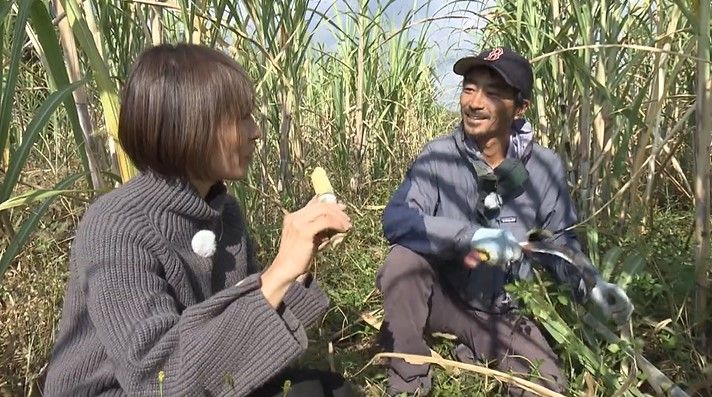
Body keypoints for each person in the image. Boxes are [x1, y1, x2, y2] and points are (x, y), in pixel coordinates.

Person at [43, 44, 357, 397]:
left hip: (200, 382)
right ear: (190, 124)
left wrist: (296, 270)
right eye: (242, 117)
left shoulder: (225, 214)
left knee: (329, 391)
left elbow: (239, 347)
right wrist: (277, 273)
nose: (257, 132)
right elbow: (159, 379)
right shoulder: (116, 226)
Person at [376, 47, 634, 396]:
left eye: (492, 94)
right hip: (442, 298)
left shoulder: (545, 167)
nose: (475, 102)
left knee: (545, 387)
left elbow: (560, 244)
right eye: (469, 89)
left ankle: (478, 347)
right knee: (401, 262)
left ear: (520, 108)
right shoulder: (436, 157)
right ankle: (408, 377)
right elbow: (397, 220)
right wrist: (470, 236)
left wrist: (591, 284)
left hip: (502, 311)